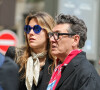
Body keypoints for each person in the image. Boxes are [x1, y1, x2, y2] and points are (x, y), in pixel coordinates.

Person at [47, 14, 100, 90]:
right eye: (52, 35)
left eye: (57, 34)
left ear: (75, 40)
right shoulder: (58, 69)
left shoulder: (86, 73)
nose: (51, 39)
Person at [15, 11, 55, 90]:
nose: (30, 32)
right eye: (28, 29)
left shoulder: (56, 62)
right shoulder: (16, 55)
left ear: (48, 33)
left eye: (36, 29)